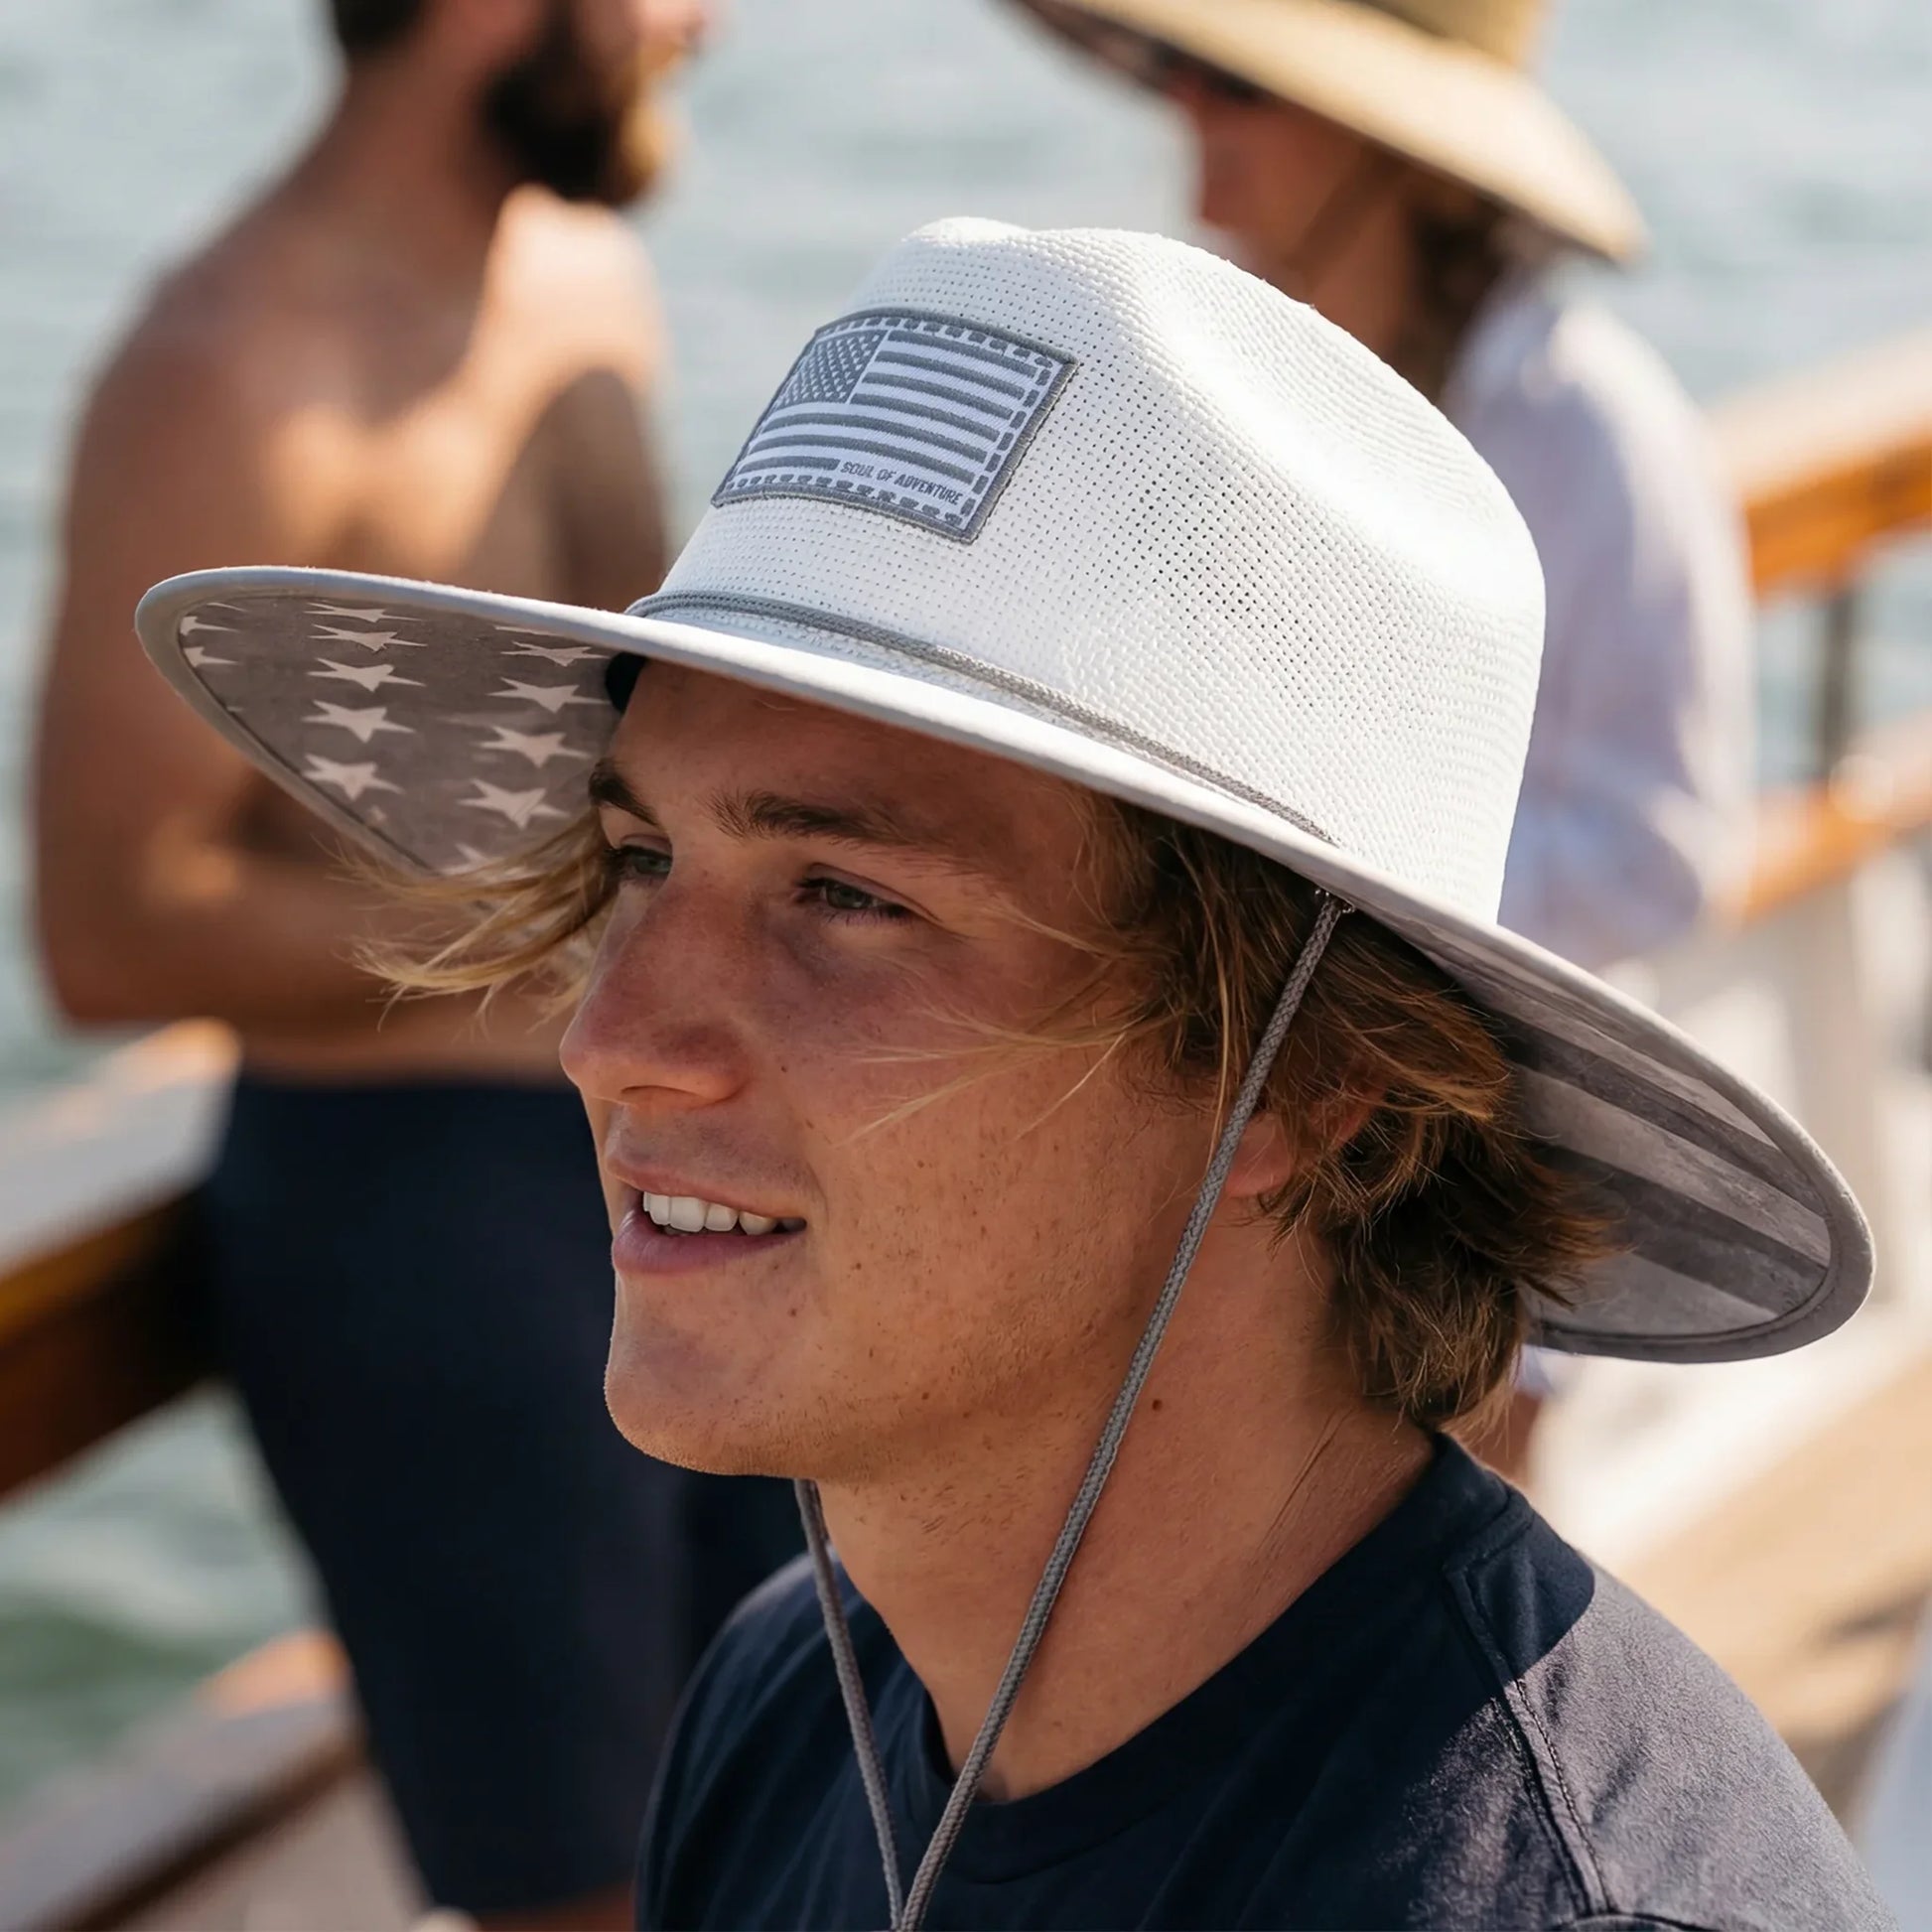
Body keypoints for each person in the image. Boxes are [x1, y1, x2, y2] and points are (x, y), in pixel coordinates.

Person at [132, 219, 1886, 1931]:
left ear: (1313, 1082)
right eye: (642, 861)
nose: (609, 1036)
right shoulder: (791, 1709)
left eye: (844, 896)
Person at [32, 4, 798, 1924]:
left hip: (690, 1157)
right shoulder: (229, 373)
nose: (699, 24)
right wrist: (555, 960)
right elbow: (108, 925)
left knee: (814, 1798)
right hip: (422, 1237)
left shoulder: (581, 274)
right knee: (582, 1889)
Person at [1012, 0, 1755, 978]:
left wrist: (1303, 903)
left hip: (1466, 1079)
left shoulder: (1592, 432)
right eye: (1174, 63)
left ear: (1402, 154)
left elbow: (1657, 861)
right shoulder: (1198, 366)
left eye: (1238, 80)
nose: (1184, 102)